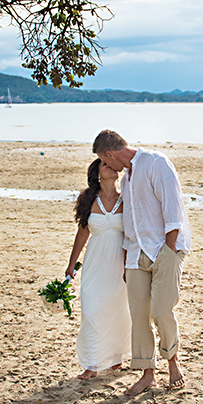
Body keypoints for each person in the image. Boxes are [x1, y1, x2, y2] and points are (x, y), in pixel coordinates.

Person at [93, 129, 190, 395]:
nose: (108, 166)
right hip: (136, 255)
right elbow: (130, 224)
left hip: (164, 250)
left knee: (161, 311)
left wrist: (169, 249)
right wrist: (127, 259)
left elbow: (173, 209)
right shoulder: (126, 180)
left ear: (110, 154)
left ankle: (173, 361)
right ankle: (148, 374)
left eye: (105, 160)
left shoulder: (155, 163)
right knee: (138, 317)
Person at [64, 158, 131, 379]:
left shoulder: (126, 199)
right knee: (92, 311)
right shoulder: (88, 199)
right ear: (97, 174)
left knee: (118, 310)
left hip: (118, 264)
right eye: (105, 164)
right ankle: (91, 365)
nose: (111, 166)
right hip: (94, 263)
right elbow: (83, 233)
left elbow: (131, 235)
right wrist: (71, 264)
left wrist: (128, 265)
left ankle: (116, 358)